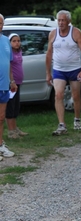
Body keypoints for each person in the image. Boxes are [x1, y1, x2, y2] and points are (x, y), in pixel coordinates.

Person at [46, 10, 81, 136]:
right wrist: (48, 73)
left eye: (63, 20)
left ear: (68, 21)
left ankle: (77, 118)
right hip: (59, 70)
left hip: (74, 69)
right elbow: (49, 53)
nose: (60, 23)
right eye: (59, 20)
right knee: (58, 95)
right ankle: (61, 125)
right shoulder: (53, 34)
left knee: (76, 96)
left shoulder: (75, 33)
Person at [0, 14, 16, 160]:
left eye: (1, 23)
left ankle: (0, 145)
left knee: (1, 117)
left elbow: (9, 63)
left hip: (4, 85)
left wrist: (12, 81)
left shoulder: (6, 41)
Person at [7, 33, 28, 139]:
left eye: (18, 41)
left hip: (18, 83)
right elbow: (8, 68)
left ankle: (15, 129)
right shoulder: (9, 53)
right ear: (9, 42)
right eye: (14, 41)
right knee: (10, 107)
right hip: (11, 84)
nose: (17, 43)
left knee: (16, 106)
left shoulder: (19, 52)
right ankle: (11, 132)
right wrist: (12, 81)